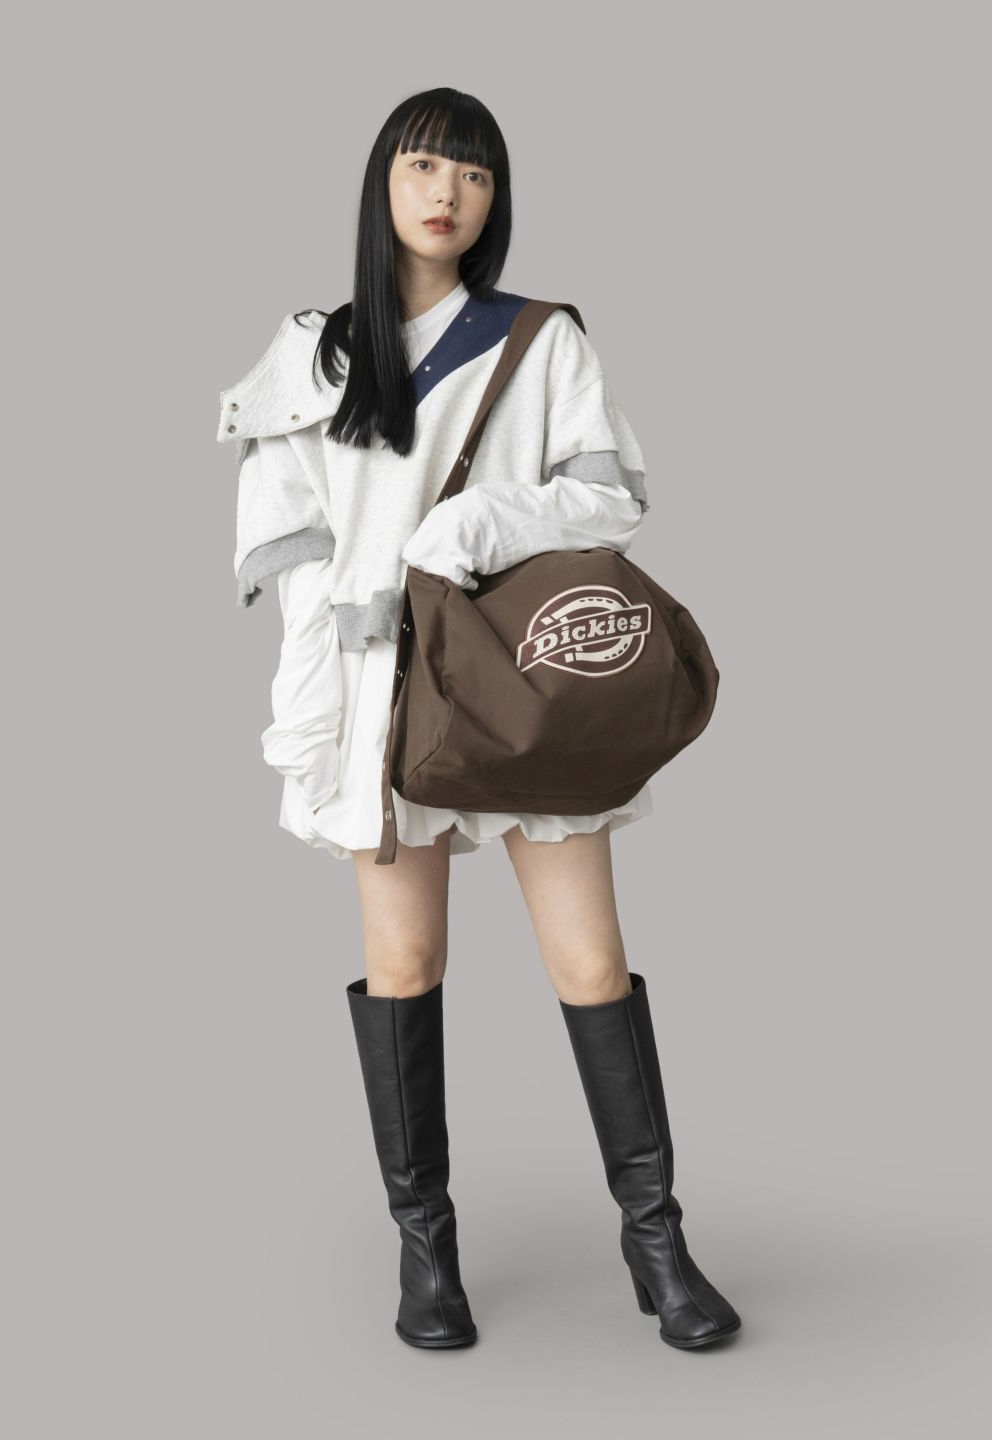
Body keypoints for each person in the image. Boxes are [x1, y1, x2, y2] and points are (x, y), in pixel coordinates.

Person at [216, 87, 741, 1352]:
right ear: (382, 182)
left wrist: (474, 524)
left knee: (590, 964)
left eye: (474, 174)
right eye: (423, 165)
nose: (446, 192)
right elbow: (294, 562)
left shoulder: (540, 340)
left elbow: (607, 499)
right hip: (379, 701)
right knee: (406, 966)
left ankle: (658, 1244)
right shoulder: (314, 356)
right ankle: (427, 1258)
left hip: (519, 686)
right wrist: (313, 717)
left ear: (496, 199)